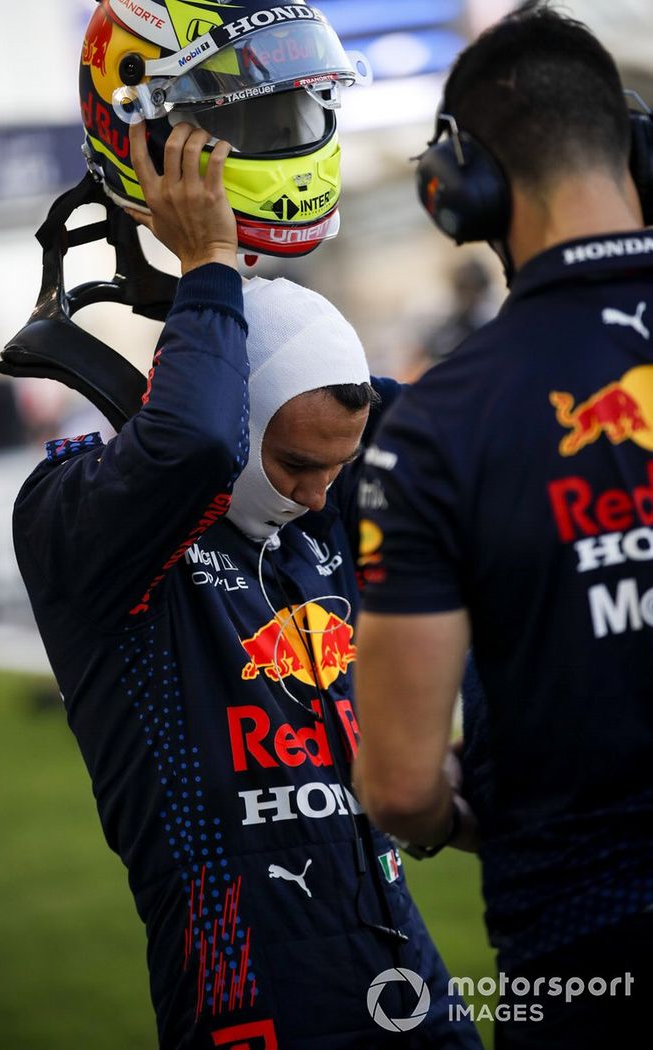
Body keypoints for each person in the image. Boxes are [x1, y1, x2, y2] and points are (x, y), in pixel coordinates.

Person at [12, 116, 482, 1049]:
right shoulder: (80, 520)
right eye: (297, 465)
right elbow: (185, 441)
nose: (317, 496)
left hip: (407, 971)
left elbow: (454, 437)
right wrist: (210, 263)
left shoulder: (324, 508)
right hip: (246, 999)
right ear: (236, 419)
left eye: (335, 472)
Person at [353, 3, 653, 1048]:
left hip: (584, 952)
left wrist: (460, 822)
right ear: (638, 150)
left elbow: (395, 781)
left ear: (458, 189)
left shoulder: (439, 422)